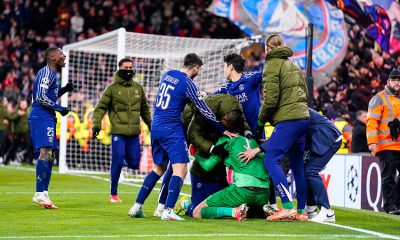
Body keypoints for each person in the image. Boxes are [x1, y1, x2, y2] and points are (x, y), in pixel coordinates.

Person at [128, 53, 235, 220]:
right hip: (171, 128)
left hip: (156, 126)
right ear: (196, 68)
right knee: (181, 169)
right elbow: (204, 109)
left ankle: (137, 206)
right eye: (200, 69)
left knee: (158, 168)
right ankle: (168, 211)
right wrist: (222, 129)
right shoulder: (187, 83)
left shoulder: (168, 74)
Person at [241, 34, 310, 221]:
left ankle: (287, 206)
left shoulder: (272, 65)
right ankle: (302, 212)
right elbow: (305, 92)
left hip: (289, 120)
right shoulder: (293, 65)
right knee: (297, 166)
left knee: (271, 160)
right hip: (303, 118)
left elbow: (271, 100)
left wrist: (262, 122)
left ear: (267, 49)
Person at [170, 94, 251, 217]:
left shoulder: (235, 110)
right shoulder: (203, 110)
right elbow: (192, 134)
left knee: (219, 208)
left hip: (219, 172)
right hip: (201, 171)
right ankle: (185, 203)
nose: (227, 131)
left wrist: (248, 134)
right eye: (225, 126)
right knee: (195, 211)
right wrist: (212, 148)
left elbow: (243, 122)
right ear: (222, 118)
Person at [92, 57, 152, 203]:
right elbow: (100, 108)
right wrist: (96, 124)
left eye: (130, 68)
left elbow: (145, 110)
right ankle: (113, 193)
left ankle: (119, 163)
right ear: (119, 69)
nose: (128, 70)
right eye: (125, 68)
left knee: (134, 164)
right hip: (118, 132)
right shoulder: (111, 89)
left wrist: (152, 127)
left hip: (134, 134)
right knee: (117, 159)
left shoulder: (138, 88)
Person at [192, 110, 270, 221]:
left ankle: (234, 212)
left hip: (243, 190)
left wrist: (196, 154)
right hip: (264, 193)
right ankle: (260, 210)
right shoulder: (252, 141)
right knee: (249, 208)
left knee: (197, 212)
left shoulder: (226, 140)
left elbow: (208, 166)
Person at [29, 47, 73, 209]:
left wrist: (64, 90)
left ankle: (44, 192)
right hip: (41, 115)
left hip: (47, 117)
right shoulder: (46, 73)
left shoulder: (53, 75)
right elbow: (40, 97)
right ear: (53, 58)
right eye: (61, 54)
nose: (64, 56)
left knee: (50, 154)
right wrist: (59, 108)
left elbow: (49, 95)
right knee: (46, 151)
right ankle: (39, 193)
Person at [366, 68, 400, 215]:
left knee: (390, 176)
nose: (397, 83)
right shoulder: (379, 98)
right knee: (389, 176)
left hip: (398, 145)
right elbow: (371, 121)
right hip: (385, 145)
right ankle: (390, 207)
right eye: (395, 80)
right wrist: (372, 142)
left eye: (399, 80)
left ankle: (397, 204)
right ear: (388, 82)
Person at [304, 108, 341, 223]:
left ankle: (327, 211)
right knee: (307, 171)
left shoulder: (295, 109)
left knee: (311, 171)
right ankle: (311, 210)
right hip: (320, 138)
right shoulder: (295, 106)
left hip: (329, 138)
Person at [215, 53, 262, 135]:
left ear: (230, 67)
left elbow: (270, 74)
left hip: (257, 129)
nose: (223, 70)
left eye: (224, 66)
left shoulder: (251, 77)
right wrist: (205, 94)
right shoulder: (226, 87)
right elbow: (212, 97)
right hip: (239, 132)